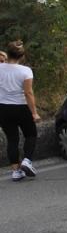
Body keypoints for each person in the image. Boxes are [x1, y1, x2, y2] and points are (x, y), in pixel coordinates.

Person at [0, 40, 41, 181]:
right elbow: (28, 93)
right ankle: (27, 160)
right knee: (31, 134)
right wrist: (34, 112)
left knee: (12, 139)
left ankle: (16, 172)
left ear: (8, 53)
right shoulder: (25, 71)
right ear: (21, 56)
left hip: (3, 108)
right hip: (22, 108)